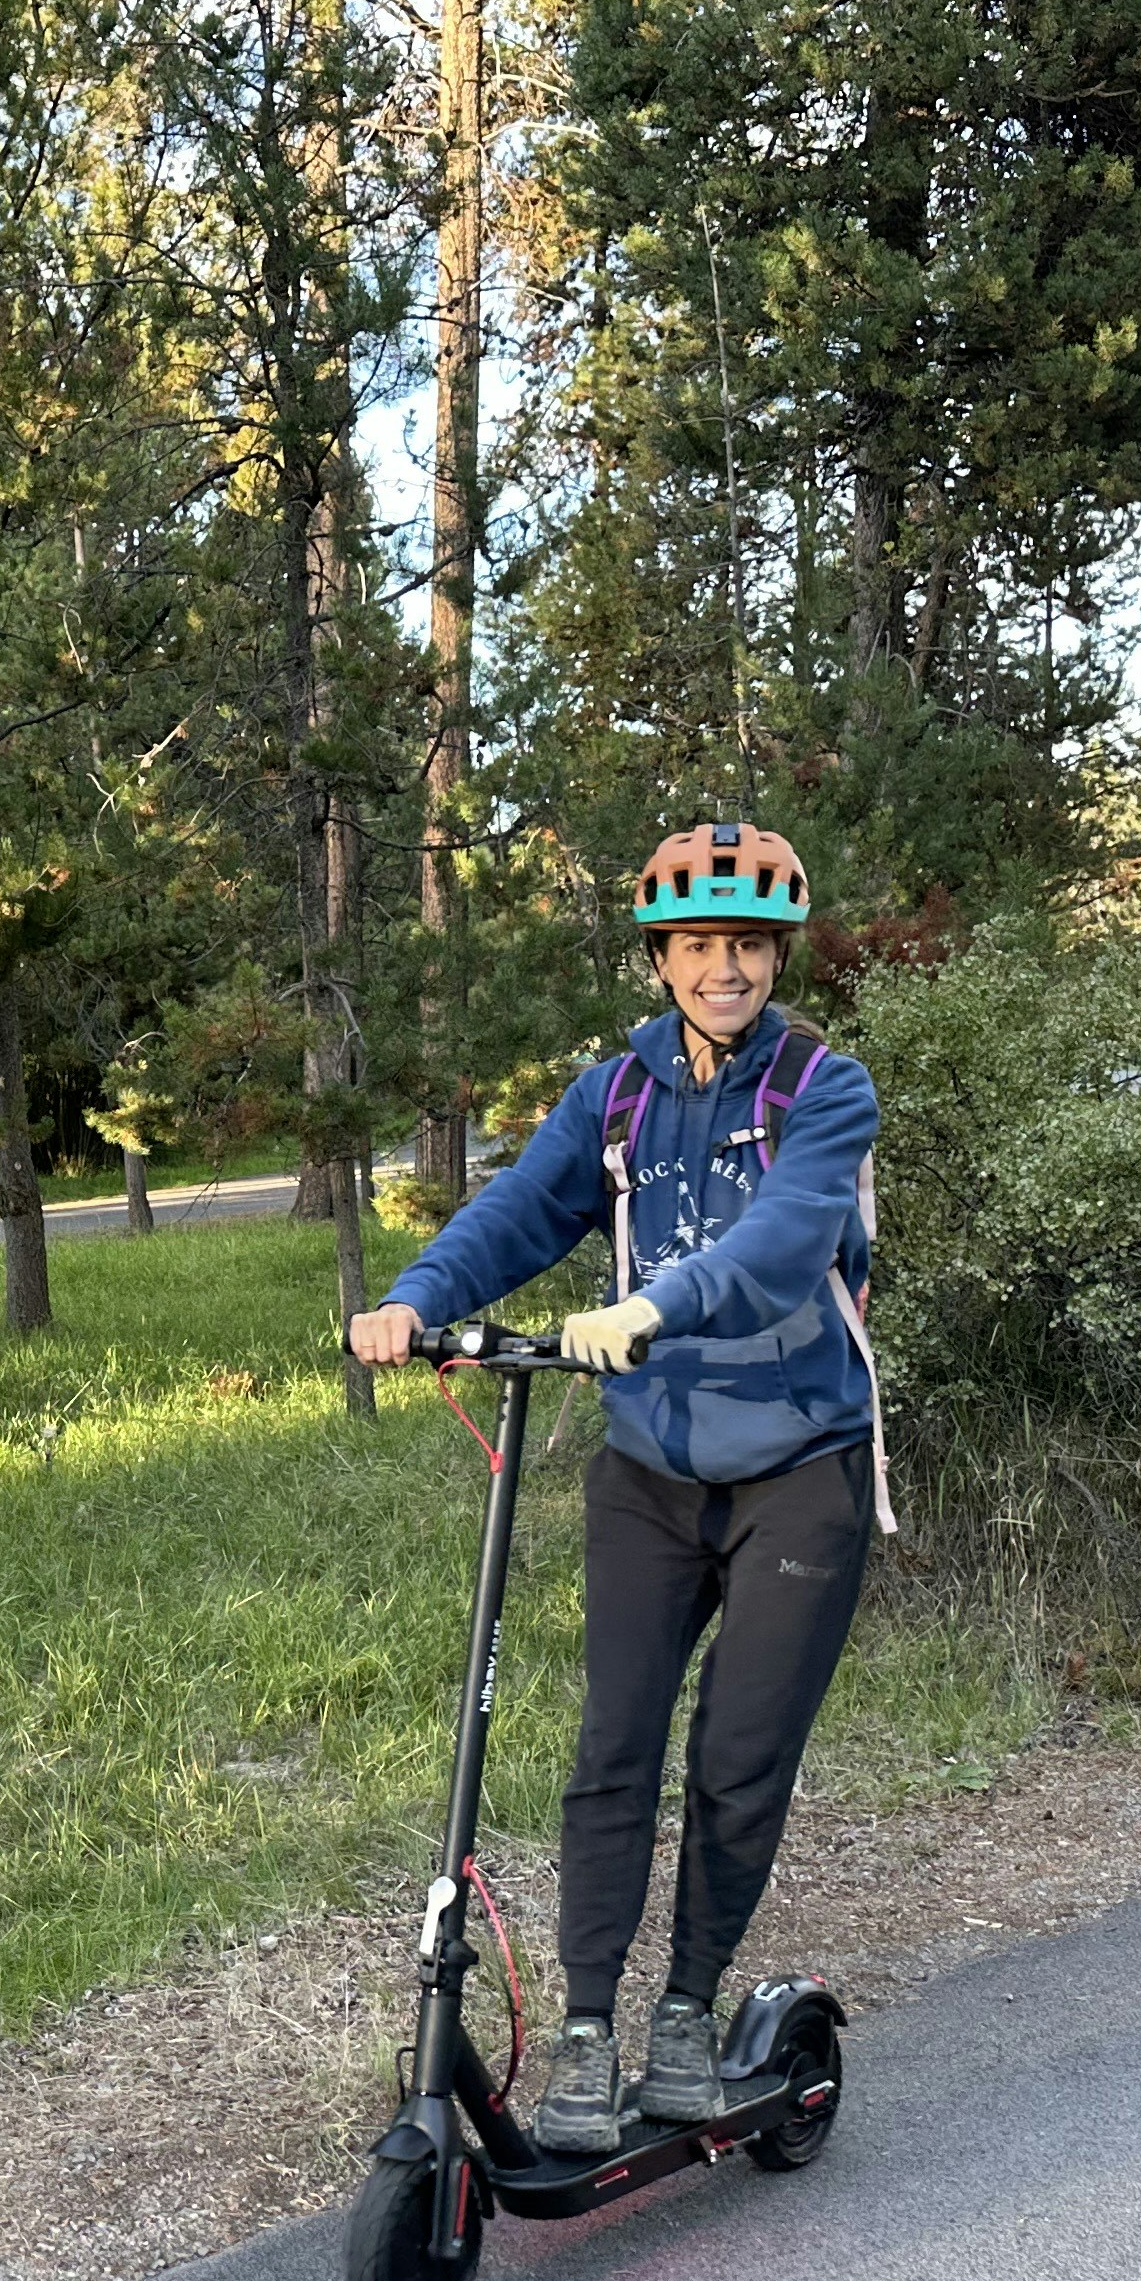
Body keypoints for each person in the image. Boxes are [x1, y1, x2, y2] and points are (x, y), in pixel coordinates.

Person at [349, 817, 889, 2150]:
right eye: (700, 945)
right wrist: (420, 1297)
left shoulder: (824, 1088)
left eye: (749, 945)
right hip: (649, 1468)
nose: (726, 969)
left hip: (800, 1468)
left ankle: (690, 2017)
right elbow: (523, 1211)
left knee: (735, 1758)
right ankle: (587, 2036)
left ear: (776, 954)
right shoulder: (620, 1094)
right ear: (662, 956)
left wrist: (654, 1305)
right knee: (613, 1751)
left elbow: (777, 1248)